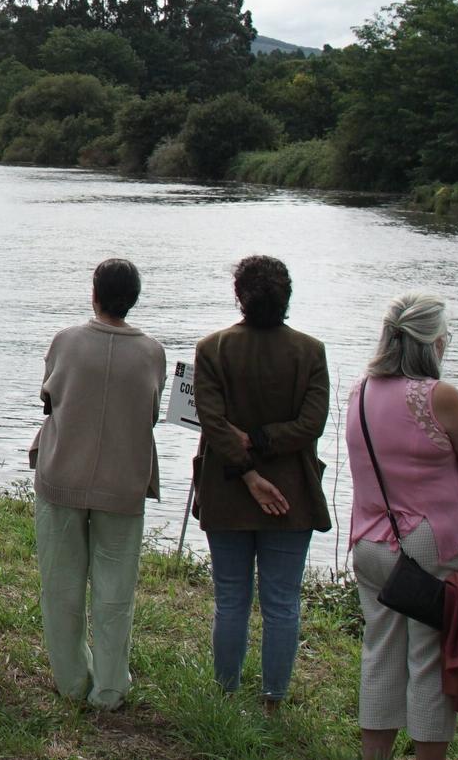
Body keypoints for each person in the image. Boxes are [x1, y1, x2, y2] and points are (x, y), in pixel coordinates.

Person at [344, 294, 458, 760]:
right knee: (428, 658)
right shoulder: (438, 395)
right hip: (428, 544)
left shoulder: (360, 391)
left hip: (370, 541)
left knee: (380, 653)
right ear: (433, 342)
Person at [192, 254, 331, 712]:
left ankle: (225, 692)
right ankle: (273, 698)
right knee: (282, 601)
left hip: (226, 491)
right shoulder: (311, 351)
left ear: (240, 296)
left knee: (230, 599)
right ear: (286, 296)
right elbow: (311, 424)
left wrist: (246, 462)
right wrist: (267, 444)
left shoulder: (212, 348)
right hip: (290, 493)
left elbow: (211, 422)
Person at [30, 258, 166, 707]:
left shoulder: (66, 341)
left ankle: (71, 680)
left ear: (95, 292)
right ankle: (109, 687)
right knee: (115, 592)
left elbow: (49, 398)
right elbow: (150, 412)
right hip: (123, 482)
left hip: (63, 473)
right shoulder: (152, 351)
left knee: (61, 586)